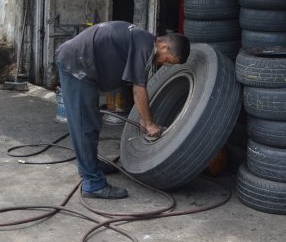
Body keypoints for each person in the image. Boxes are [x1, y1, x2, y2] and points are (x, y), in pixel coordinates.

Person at [56, 21, 190, 200]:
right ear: (164, 46)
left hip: (83, 63)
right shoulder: (144, 47)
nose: (165, 65)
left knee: (92, 122)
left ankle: (89, 165)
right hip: (76, 64)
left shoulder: (143, 42)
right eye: (167, 60)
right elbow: (138, 89)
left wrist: (144, 119)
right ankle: (92, 184)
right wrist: (148, 123)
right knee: (84, 125)